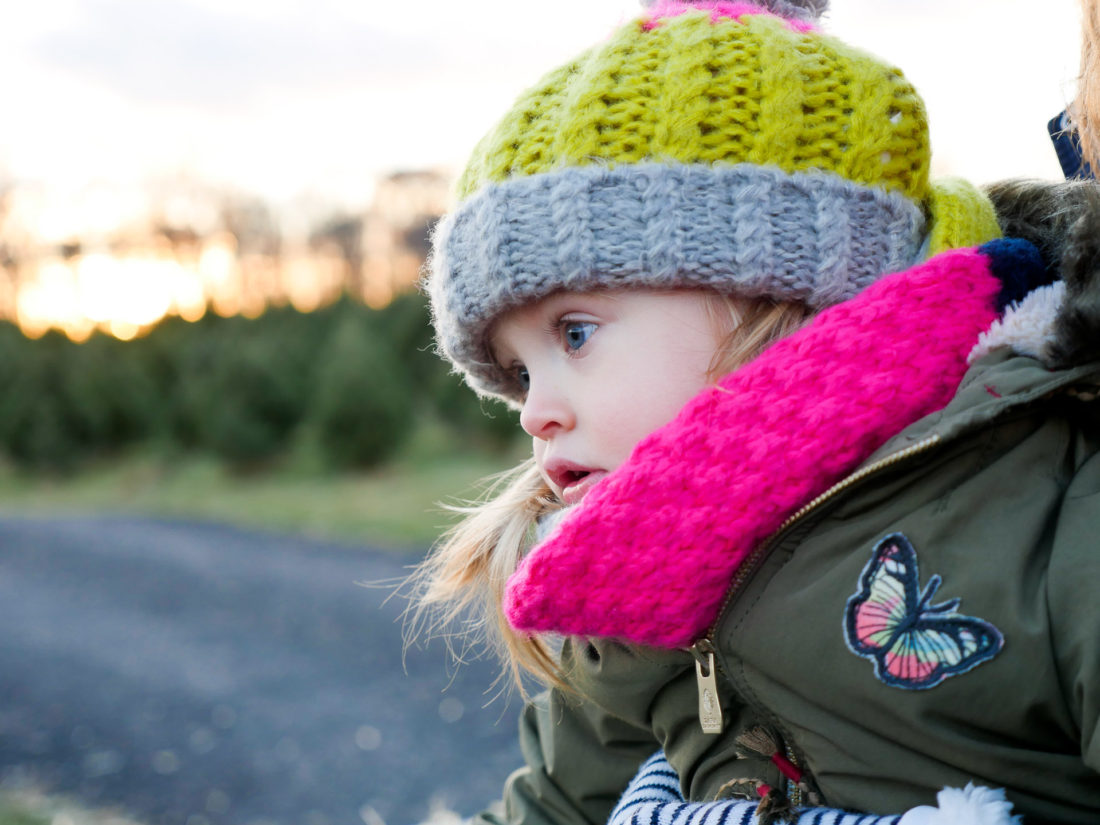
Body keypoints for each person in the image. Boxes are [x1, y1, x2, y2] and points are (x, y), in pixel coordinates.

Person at [411, 1, 1100, 824]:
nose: (536, 412)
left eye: (576, 332)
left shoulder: (1048, 511)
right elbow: (556, 806)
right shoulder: (629, 574)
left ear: (775, 292)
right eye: (519, 371)